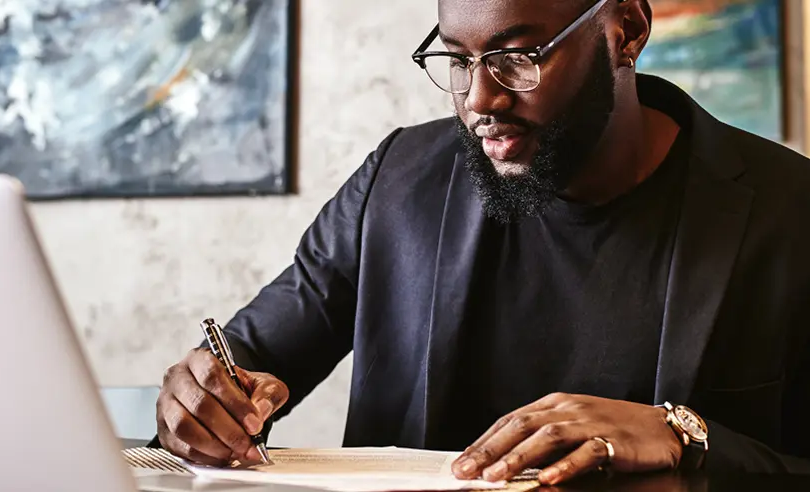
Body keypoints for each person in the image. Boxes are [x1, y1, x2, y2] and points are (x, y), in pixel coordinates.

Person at [152, 0, 810, 485]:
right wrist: (203, 399)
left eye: (516, 57)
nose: (478, 99)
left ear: (625, 31)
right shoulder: (399, 178)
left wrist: (680, 436)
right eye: (457, 60)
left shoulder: (788, 208)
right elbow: (249, 359)